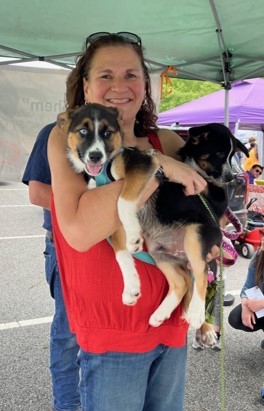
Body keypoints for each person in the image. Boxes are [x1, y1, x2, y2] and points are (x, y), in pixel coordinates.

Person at [47, 32, 209, 411]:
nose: (119, 86)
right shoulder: (65, 136)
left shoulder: (166, 139)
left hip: (171, 319)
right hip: (115, 329)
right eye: (105, 75)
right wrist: (157, 165)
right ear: (85, 85)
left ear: (145, 84)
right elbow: (81, 231)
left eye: (132, 75)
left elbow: (199, 200)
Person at [22, 130, 81, 408]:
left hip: (112, 250)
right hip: (65, 247)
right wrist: (93, 208)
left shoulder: (121, 134)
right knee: (68, 335)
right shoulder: (54, 133)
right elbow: (37, 193)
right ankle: (67, 405)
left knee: (103, 333)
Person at [228, 236, 264, 341]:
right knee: (235, 318)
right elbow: (248, 286)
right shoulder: (259, 255)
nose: (262, 240)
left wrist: (261, 304)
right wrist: (245, 305)